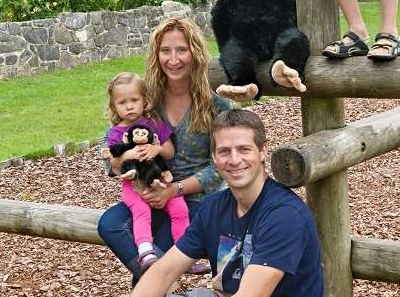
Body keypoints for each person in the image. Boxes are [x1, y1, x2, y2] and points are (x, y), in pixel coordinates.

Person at [131, 108, 324, 297]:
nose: (234, 160)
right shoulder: (213, 208)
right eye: (224, 151)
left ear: (263, 151)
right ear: (214, 157)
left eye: (244, 149)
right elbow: (163, 272)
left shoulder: (285, 215)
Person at [98, 18, 232, 287]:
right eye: (165, 51)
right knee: (109, 224)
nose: (173, 59)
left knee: (154, 253)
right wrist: (124, 159)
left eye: (181, 50)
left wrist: (174, 190)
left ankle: (152, 284)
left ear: (195, 52)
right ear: (156, 55)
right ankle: (161, 282)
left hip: (196, 200)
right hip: (148, 192)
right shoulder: (148, 101)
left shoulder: (216, 104)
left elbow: (221, 167)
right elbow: (111, 152)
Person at [103, 72, 190, 271]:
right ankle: (145, 251)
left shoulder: (155, 123)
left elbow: (169, 151)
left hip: (161, 180)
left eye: (134, 100)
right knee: (141, 212)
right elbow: (114, 166)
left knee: (180, 208)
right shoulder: (116, 132)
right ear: (114, 106)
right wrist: (129, 155)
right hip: (134, 187)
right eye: (122, 102)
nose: (129, 106)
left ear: (145, 100)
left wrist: (156, 149)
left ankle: (186, 253)